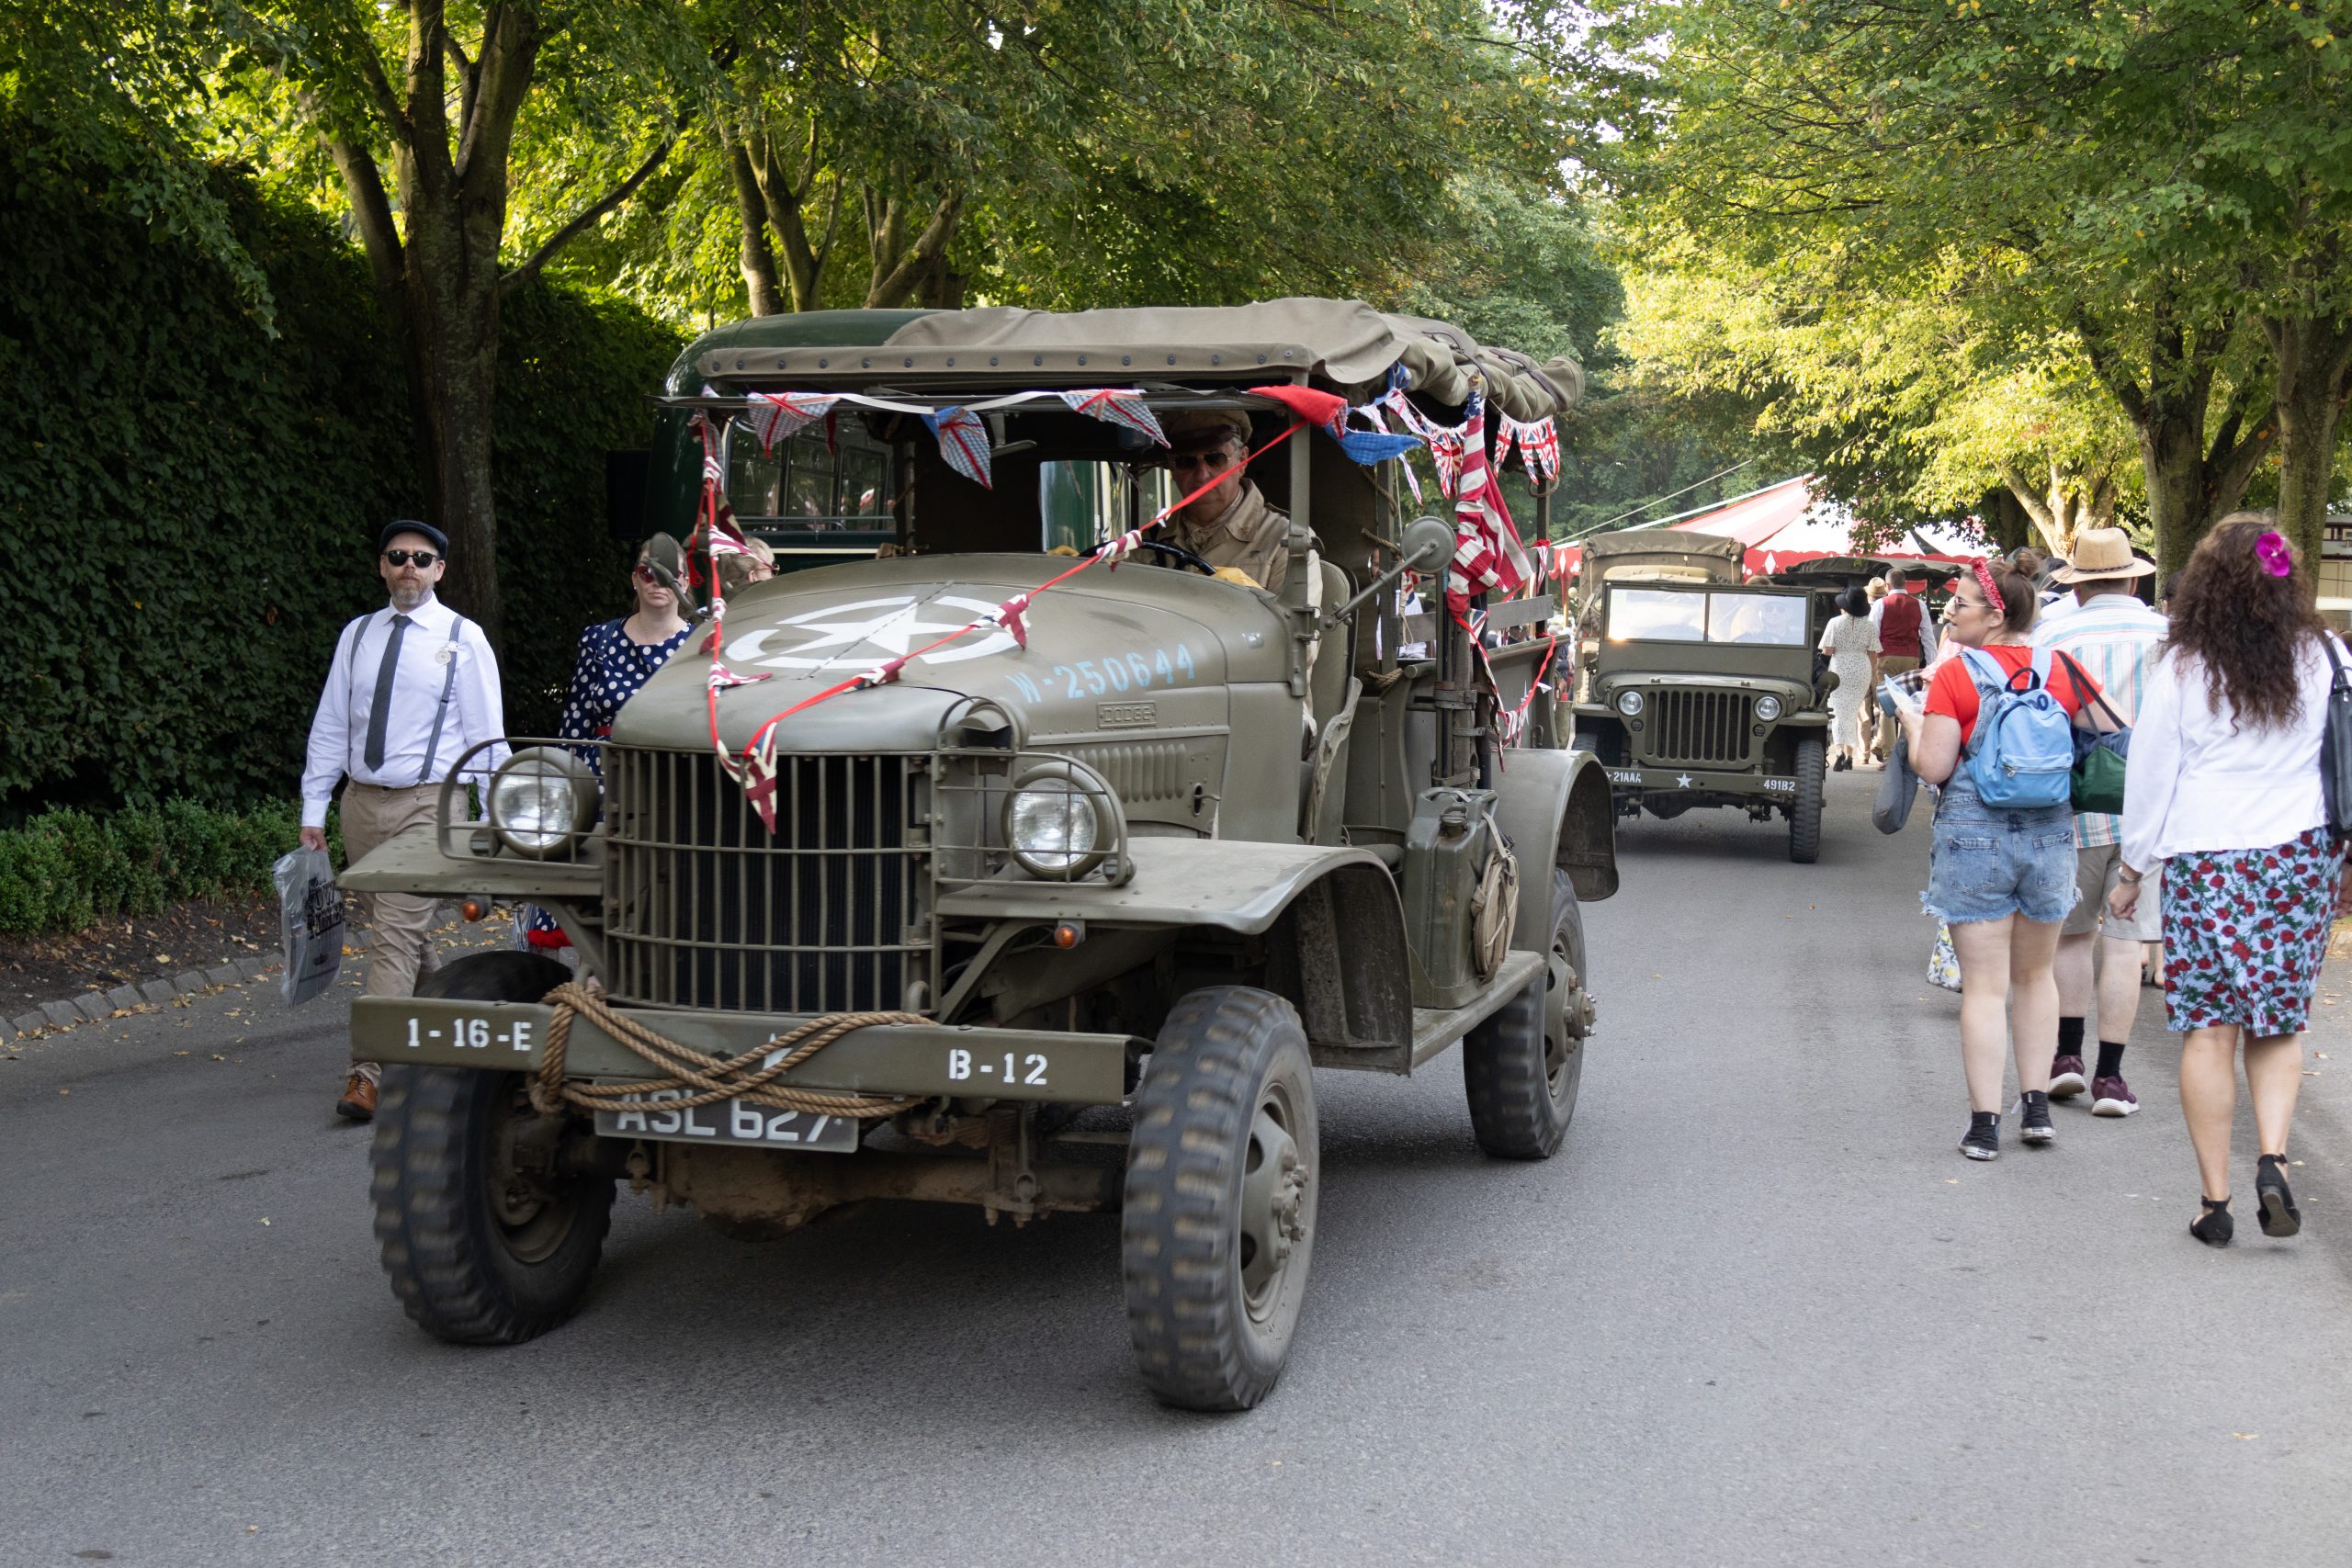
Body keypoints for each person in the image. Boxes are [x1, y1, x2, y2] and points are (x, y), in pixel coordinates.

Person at [2109, 516, 2352, 1246]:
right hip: (2297, 858)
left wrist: (2132, 867)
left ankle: (2214, 1203)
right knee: (2278, 1021)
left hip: (2208, 859)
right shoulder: (2328, 655)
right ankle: (2273, 1156)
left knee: (2208, 1029)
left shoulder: (2183, 667)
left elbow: (2152, 775)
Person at [1901, 550, 2108, 1160]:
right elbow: (2104, 729)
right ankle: (2037, 1107)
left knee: (1986, 988)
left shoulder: (1956, 674)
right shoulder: (2061, 667)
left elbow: (1935, 767)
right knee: (2035, 976)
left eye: (1960, 603)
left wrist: (1913, 725)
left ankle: (1986, 1123)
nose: (1951, 611)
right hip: (2049, 838)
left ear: (1995, 614)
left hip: (1976, 836)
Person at [300, 520, 507, 1122]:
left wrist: (495, 823)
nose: (409, 567)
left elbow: (487, 737)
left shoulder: (462, 638)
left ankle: (367, 1073)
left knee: (392, 936)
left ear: (439, 569)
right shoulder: (358, 634)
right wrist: (315, 810)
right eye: (398, 557)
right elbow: (331, 724)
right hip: (361, 805)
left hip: (429, 806)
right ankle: (448, 1021)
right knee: (399, 933)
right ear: (383, 566)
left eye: (422, 558)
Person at [2032, 526, 2166, 1118]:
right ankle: (2112, 1079)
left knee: (2072, 934)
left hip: (2073, 800)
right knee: (2126, 944)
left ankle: (2066, 1059)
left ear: (2079, 585)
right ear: (2134, 578)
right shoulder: (2169, 637)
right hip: (2150, 809)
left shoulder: (2054, 633)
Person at [523, 536, 695, 950]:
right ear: (633, 580)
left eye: (671, 574)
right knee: (594, 897)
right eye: (646, 572)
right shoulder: (598, 639)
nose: (658, 582)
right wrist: (560, 789)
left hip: (672, 786)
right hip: (602, 784)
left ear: (686, 584)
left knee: (666, 898)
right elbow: (576, 721)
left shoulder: (701, 644)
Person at [1148, 410, 1293, 591]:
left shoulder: (1286, 539)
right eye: (1187, 461)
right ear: (1172, 468)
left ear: (1242, 460)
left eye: (1215, 459)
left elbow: (1293, 618)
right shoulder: (1148, 544)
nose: (1201, 475)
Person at [1871, 570, 1937, 763]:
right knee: (1909, 706)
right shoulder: (1920, 605)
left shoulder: (1880, 604)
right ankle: (1908, 752)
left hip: (1886, 657)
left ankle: (1890, 755)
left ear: (1887, 586)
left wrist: (1874, 659)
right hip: (1910, 657)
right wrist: (1932, 665)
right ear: (1906, 584)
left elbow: (1873, 634)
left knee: (1887, 707)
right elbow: (1927, 637)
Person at [1818, 586, 1881, 772]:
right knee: (1853, 712)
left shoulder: (1834, 623)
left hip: (1839, 669)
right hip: (1862, 668)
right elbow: (1873, 654)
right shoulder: (1869, 625)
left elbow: (1827, 651)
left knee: (1838, 713)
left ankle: (1839, 753)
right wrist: (1871, 674)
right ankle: (1851, 755)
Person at [716, 534, 775, 599]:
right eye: (770, 570)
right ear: (753, 577)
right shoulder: (772, 606)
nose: (773, 576)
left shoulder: (716, 606)